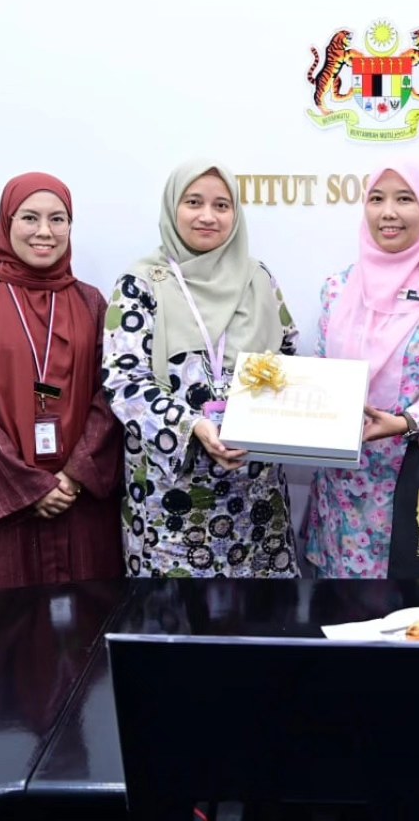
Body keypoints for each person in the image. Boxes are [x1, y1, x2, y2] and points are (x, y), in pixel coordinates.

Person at [104, 159, 299, 577]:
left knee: (260, 610)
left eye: (221, 205)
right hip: (171, 502)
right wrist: (192, 425)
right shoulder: (141, 283)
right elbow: (124, 379)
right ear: (173, 206)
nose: (208, 216)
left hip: (256, 495)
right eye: (194, 202)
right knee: (178, 613)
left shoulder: (258, 278)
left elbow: (287, 357)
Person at [0, 172, 123, 596]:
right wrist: (29, 488)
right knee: (5, 623)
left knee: (85, 619)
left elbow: (110, 393)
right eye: (29, 218)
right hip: (1, 503)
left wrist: (74, 475)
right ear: (7, 222)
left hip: (78, 498)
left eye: (58, 219)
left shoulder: (91, 301)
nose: (45, 231)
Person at [304, 163, 419, 578]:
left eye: (405, 199)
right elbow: (322, 371)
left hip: (416, 480)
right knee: (342, 606)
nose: (388, 212)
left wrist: (406, 421)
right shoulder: (339, 285)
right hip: (341, 484)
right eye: (377, 198)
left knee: (409, 607)